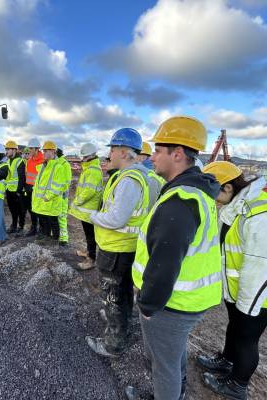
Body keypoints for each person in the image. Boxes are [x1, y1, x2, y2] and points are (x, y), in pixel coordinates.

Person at [126, 116, 222, 400]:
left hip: (171, 304)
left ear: (177, 154)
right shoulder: (194, 192)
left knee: (162, 365)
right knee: (173, 353)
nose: (151, 157)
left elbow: (164, 263)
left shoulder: (180, 201)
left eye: (157, 150)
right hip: (187, 300)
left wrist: (147, 304)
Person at [197, 161, 267, 400]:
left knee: (247, 338)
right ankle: (227, 360)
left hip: (257, 295)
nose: (212, 199)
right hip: (239, 290)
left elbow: (260, 266)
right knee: (235, 328)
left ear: (227, 187)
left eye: (212, 191)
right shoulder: (238, 206)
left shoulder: (260, 212)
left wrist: (247, 306)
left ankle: (238, 385)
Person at [86, 128, 151, 357]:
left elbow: (116, 218)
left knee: (113, 294)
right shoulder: (143, 175)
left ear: (124, 152)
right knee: (122, 292)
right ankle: (122, 322)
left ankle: (114, 342)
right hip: (127, 247)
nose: (109, 154)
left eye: (112, 149)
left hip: (116, 249)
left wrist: (90, 215)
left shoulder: (129, 179)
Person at [69, 143, 103, 270]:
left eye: (84, 157)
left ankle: (91, 259)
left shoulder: (93, 171)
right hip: (86, 210)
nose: (82, 159)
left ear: (91, 156)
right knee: (87, 233)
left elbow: (89, 191)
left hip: (89, 210)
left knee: (90, 235)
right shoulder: (89, 168)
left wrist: (76, 201)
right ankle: (88, 252)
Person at [32, 141, 63, 244]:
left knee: (53, 222)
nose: (43, 153)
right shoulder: (43, 166)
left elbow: (58, 186)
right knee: (45, 221)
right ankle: (46, 237)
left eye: (46, 151)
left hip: (51, 201)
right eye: (43, 150)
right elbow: (38, 183)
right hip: (42, 201)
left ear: (53, 151)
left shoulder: (58, 167)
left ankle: (55, 240)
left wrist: (48, 197)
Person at [24, 137, 44, 237]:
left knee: (39, 210)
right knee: (31, 209)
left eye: (31, 148)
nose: (29, 150)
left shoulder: (44, 160)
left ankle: (42, 229)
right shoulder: (29, 161)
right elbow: (28, 175)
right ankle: (34, 227)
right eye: (29, 148)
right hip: (29, 189)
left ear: (37, 149)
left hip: (39, 190)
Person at [5, 140, 26, 235]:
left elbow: (22, 177)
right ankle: (13, 226)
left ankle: (21, 227)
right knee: (12, 210)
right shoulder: (8, 161)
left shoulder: (20, 161)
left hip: (18, 191)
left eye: (8, 149)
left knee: (21, 210)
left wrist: (18, 191)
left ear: (14, 150)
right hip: (9, 190)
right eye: (6, 149)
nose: (6, 151)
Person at [56, 144, 72, 247]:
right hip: (55, 195)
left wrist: (62, 192)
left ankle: (63, 239)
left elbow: (67, 181)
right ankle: (56, 235)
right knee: (56, 216)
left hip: (61, 195)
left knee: (61, 216)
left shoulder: (64, 164)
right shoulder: (56, 163)